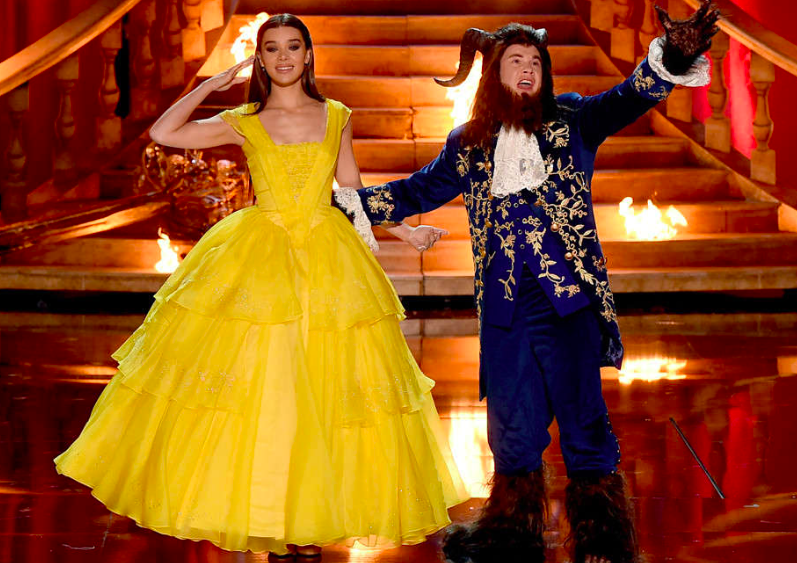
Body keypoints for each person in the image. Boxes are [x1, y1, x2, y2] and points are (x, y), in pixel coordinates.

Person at [54, 13, 466, 560]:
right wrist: (209, 86)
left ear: (308, 55)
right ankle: (272, 517)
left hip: (328, 265)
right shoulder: (244, 117)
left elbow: (351, 193)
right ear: (262, 58)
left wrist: (406, 231)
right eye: (272, 48)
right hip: (260, 258)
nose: (284, 57)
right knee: (270, 390)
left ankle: (313, 519)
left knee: (323, 392)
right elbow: (163, 133)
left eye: (293, 47)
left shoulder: (336, 116)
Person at [355, 2, 719, 563]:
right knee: (512, 421)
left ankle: (601, 537)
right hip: (504, 307)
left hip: (567, 300)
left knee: (582, 415)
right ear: (494, 72)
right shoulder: (468, 143)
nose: (527, 69)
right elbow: (413, 192)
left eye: (535, 62)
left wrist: (675, 53)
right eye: (515, 60)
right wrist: (339, 203)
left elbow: (632, 96)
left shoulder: (574, 121)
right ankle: (511, 532)